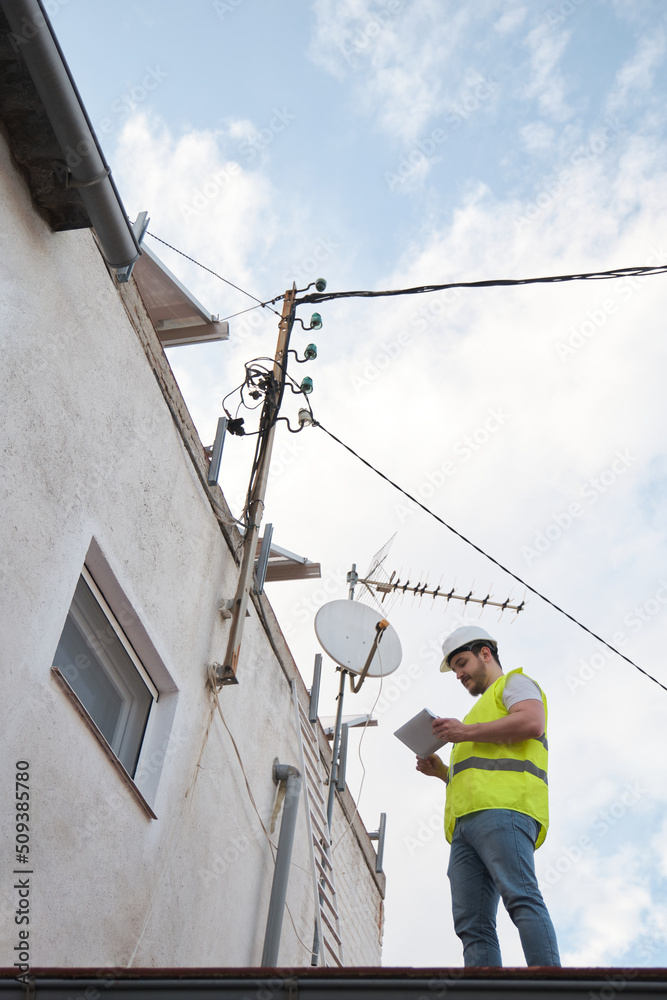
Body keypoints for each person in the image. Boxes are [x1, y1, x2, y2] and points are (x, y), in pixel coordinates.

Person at [416, 625, 560, 968]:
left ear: (486, 653)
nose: (459, 674)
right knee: (472, 925)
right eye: (455, 670)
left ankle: (552, 985)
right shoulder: (477, 715)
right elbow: (481, 771)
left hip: (505, 811)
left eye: (462, 663)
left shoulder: (515, 684)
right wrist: (442, 772)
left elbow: (531, 722)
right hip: (466, 826)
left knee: (521, 897)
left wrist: (463, 732)